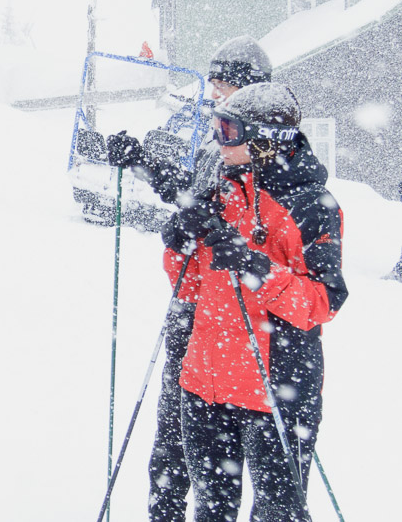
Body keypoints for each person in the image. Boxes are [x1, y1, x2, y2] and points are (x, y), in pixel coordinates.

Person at [161, 82, 347, 521]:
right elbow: (190, 289)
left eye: (229, 130)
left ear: (266, 139)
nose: (219, 140)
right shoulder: (224, 190)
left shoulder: (311, 206)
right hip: (207, 381)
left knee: (277, 514)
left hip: (275, 390)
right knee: (211, 510)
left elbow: (322, 302)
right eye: (217, 127)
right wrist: (179, 246)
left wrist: (256, 267)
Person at [105, 35, 272, 522]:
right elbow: (188, 196)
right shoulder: (214, 149)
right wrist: (141, 160)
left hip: (240, 328)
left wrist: (206, 228)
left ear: (247, 92)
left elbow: (250, 236)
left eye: (221, 87)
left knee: (227, 467)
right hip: (193, 316)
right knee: (171, 449)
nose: (212, 95)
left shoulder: (259, 159)